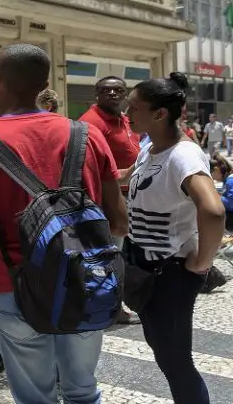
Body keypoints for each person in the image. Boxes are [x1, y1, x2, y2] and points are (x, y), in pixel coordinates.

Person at [0, 44, 127, 404]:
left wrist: (17, 230)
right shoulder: (88, 135)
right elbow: (119, 223)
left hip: (16, 285)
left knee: (35, 398)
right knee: (82, 390)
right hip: (86, 279)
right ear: (45, 83)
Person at [120, 72, 224, 404]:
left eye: (134, 108)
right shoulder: (150, 147)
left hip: (171, 273)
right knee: (163, 349)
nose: (127, 114)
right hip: (145, 267)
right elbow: (129, 176)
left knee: (175, 361)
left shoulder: (183, 155)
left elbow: (213, 210)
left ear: (160, 113)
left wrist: (201, 263)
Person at [78, 75, 142, 325]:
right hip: (108, 199)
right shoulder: (91, 123)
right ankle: (112, 308)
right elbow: (90, 166)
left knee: (120, 254)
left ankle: (112, 303)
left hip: (128, 194)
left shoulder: (124, 120)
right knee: (110, 255)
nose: (113, 94)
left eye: (118, 90)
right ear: (96, 94)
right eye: (106, 90)